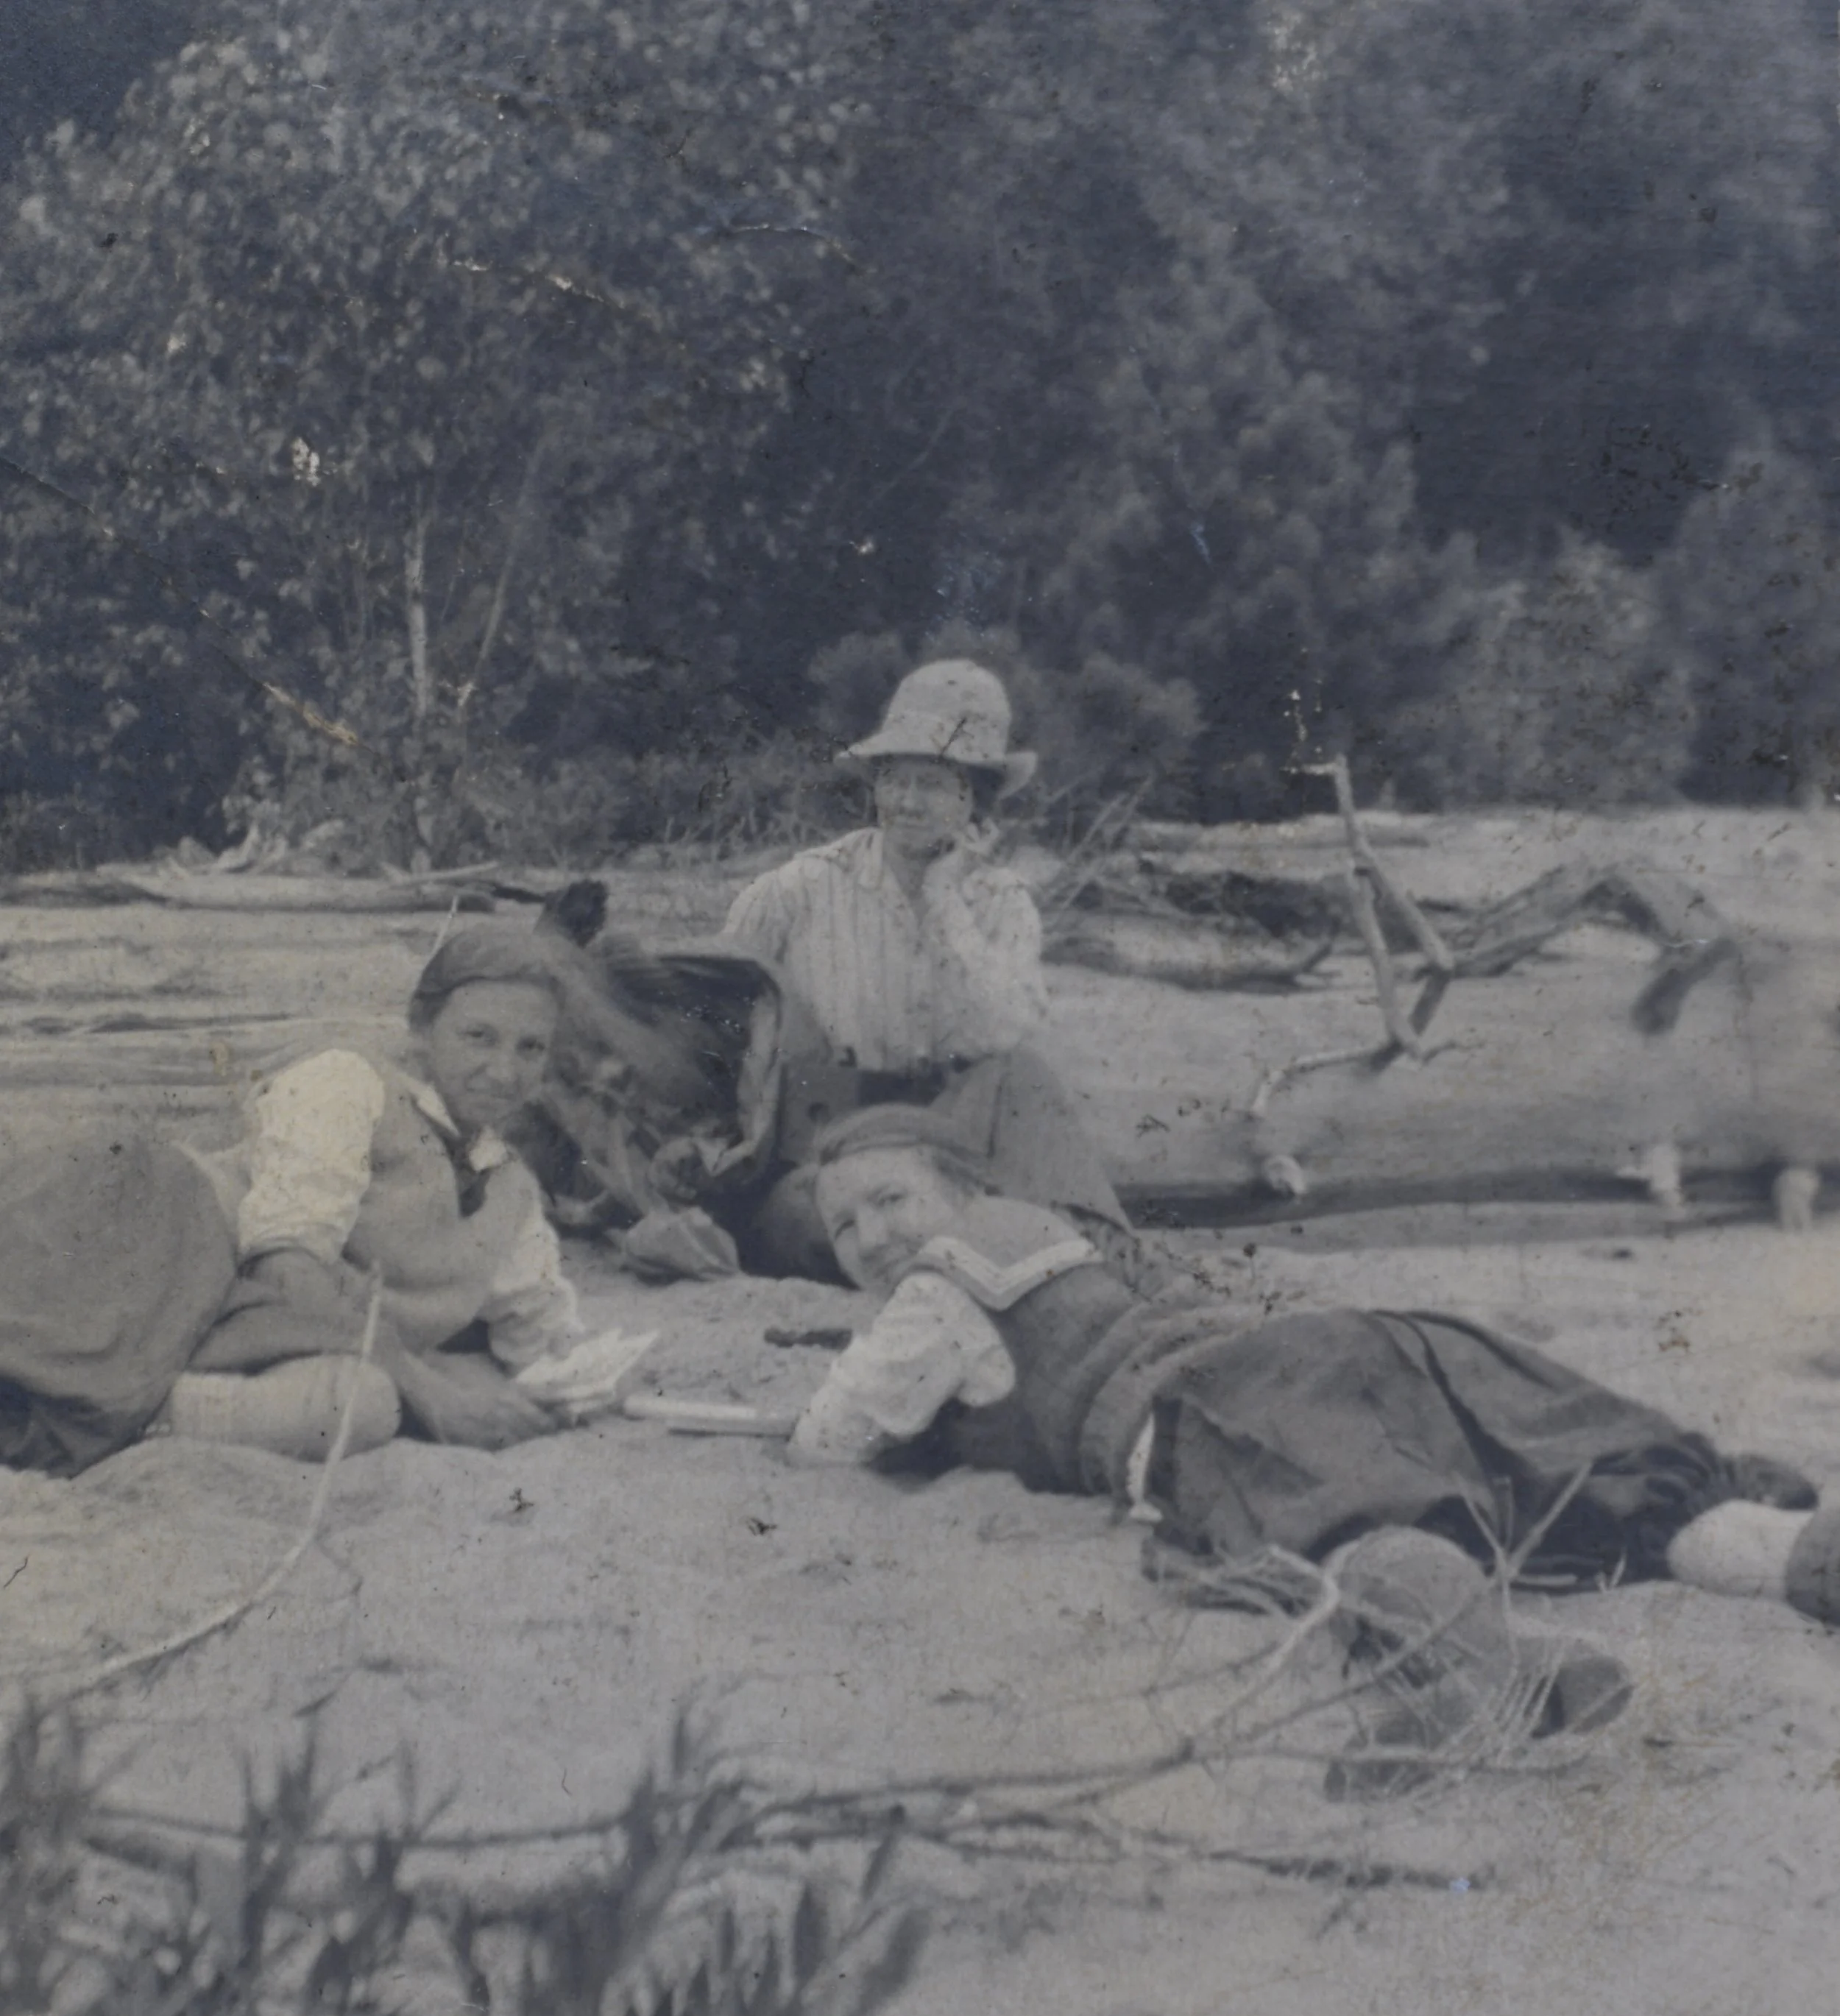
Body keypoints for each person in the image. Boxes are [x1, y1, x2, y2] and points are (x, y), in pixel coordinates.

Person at [788, 1106, 1840, 1774]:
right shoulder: (1072, 1234)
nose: (874, 1235)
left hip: (1220, 1405)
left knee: (1344, 1523)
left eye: (891, 1200)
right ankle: (1794, 1557)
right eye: (844, 1227)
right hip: (1368, 1341)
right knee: (1577, 1466)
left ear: (961, 1196)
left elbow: (835, 1434)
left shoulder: (936, 1285)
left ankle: (1493, 1671)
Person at [721, 659, 1128, 1276]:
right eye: (896, 780)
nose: (908, 802)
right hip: (828, 1153)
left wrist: (946, 903)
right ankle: (991, 1249)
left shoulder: (999, 902)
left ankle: (1091, 1258)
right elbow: (714, 1002)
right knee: (838, 1225)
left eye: (935, 785)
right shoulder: (796, 890)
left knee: (1024, 1075)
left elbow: (1000, 1035)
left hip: (951, 1145)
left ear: (976, 800)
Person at [163, 922, 588, 1457]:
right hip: (181, 1283)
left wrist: (577, 1380)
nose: (504, 1071)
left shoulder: (509, 1186)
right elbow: (284, 1269)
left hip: (293, 1342)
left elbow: (539, 1337)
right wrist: (432, 1394)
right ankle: (138, 1412)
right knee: (365, 1406)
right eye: (478, 1037)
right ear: (421, 1028)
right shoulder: (348, 1085)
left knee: (401, 1394)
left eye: (530, 1049)